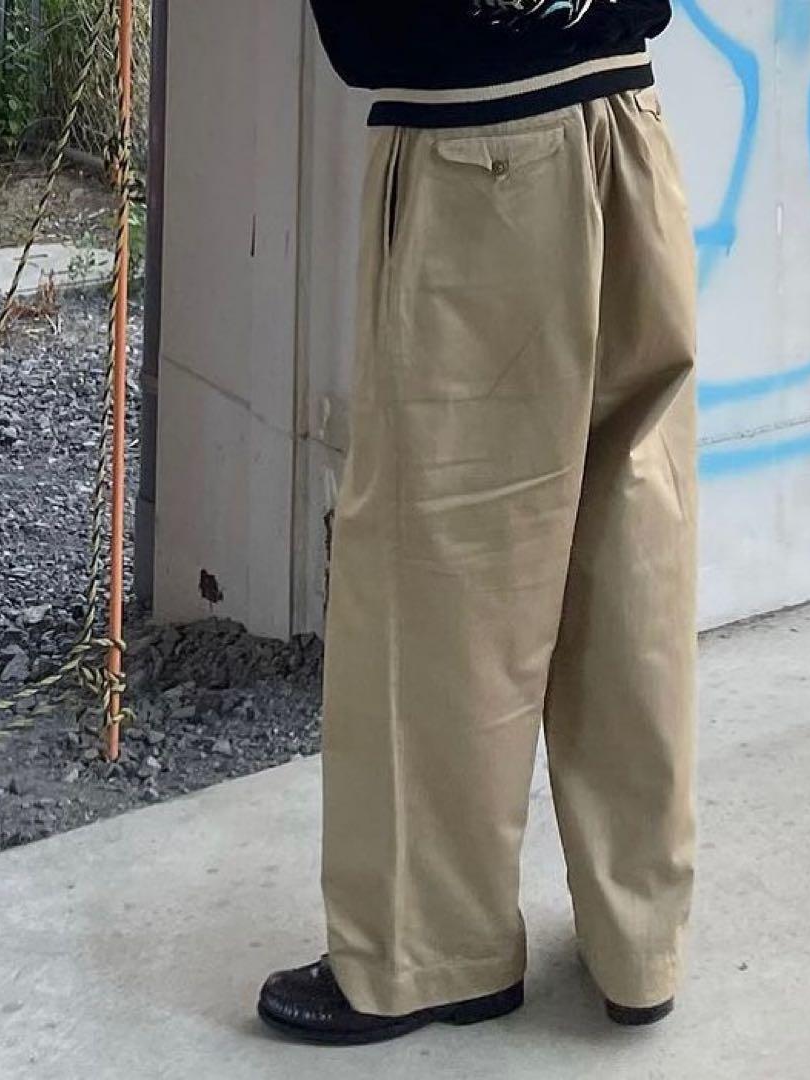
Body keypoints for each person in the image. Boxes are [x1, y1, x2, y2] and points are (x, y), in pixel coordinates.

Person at [258, 0, 699, 1047]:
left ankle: (431, 951)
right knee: (626, 544)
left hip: (479, 155)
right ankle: (639, 940)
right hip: (626, 130)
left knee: (440, 572)